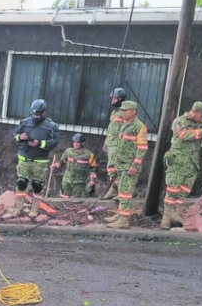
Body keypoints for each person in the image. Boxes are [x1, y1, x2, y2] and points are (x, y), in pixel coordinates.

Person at [160, 101, 202, 229]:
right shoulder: (179, 121)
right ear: (195, 111)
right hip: (178, 162)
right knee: (172, 189)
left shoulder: (201, 123)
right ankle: (166, 218)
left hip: (191, 163)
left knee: (184, 190)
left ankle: (177, 214)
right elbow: (182, 135)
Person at [104, 101, 148, 229]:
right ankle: (120, 214)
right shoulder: (124, 125)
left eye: (125, 110)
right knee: (122, 191)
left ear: (133, 111)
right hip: (122, 164)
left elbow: (142, 148)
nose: (122, 112)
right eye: (122, 110)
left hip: (130, 166)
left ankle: (124, 220)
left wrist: (135, 165)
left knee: (126, 193)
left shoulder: (139, 127)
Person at [12, 99, 59, 217]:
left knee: (37, 185)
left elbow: (54, 142)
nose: (35, 117)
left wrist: (39, 143)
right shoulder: (25, 122)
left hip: (40, 160)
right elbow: (15, 136)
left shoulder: (51, 126)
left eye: (38, 114)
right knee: (21, 182)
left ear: (44, 113)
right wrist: (20, 137)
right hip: (24, 158)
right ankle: (19, 208)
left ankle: (34, 209)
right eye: (34, 114)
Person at [51, 133, 98, 198]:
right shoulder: (68, 151)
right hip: (67, 180)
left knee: (76, 199)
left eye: (77, 142)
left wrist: (92, 180)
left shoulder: (89, 155)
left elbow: (93, 168)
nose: (75, 144)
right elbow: (61, 162)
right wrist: (55, 165)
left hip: (79, 182)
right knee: (64, 197)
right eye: (74, 142)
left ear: (82, 143)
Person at [102, 88, 128, 200]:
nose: (112, 100)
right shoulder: (115, 112)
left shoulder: (125, 113)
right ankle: (114, 188)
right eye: (112, 98)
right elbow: (111, 129)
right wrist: (106, 142)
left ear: (121, 99)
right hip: (111, 144)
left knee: (118, 167)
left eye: (115, 98)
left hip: (118, 145)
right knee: (111, 168)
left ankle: (119, 190)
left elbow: (126, 129)